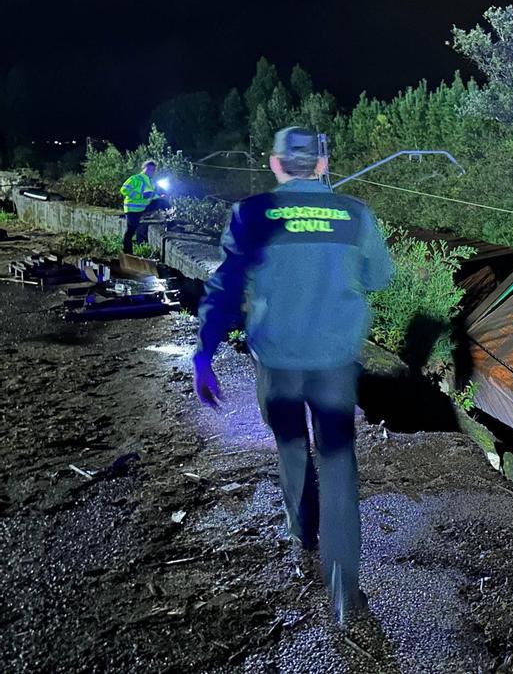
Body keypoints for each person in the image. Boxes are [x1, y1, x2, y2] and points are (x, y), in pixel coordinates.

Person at [191, 126, 394, 624]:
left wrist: (204, 354)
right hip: (334, 363)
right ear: (322, 166)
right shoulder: (354, 215)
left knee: (291, 449)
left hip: (278, 361)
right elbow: (379, 277)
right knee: (340, 465)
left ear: (276, 164)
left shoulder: (252, 215)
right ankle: (345, 593)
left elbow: (224, 286)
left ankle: (302, 531)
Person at [120, 159, 166, 254]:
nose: (150, 172)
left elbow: (152, 195)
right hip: (132, 208)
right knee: (131, 230)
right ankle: (127, 252)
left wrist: (160, 196)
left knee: (164, 202)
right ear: (144, 168)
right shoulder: (135, 178)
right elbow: (123, 190)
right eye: (148, 169)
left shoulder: (151, 182)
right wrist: (140, 196)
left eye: (152, 170)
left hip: (143, 207)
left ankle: (171, 223)